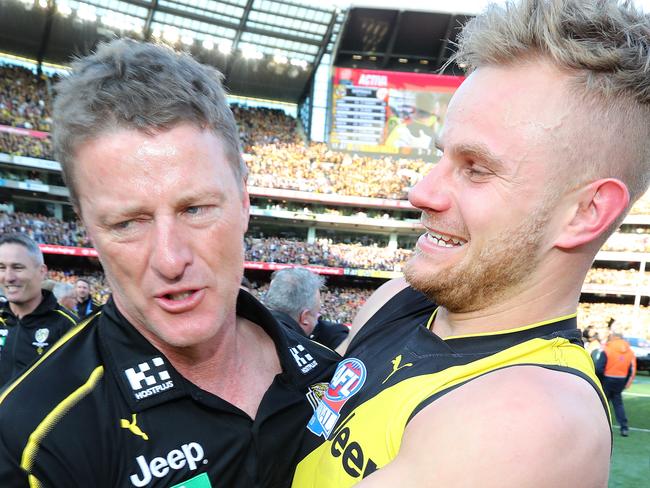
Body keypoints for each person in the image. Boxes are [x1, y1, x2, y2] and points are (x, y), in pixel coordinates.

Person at [293, 1, 650, 486]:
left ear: (586, 212)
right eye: (442, 155)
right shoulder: (400, 298)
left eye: (476, 168)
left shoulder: (529, 421)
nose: (421, 191)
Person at [0, 40, 339, 488]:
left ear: (243, 201)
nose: (170, 259)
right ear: (87, 228)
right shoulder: (36, 436)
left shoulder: (331, 374)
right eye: (127, 222)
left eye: (195, 209)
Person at [0, 233, 78, 387]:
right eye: (2, 268)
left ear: (42, 271)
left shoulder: (68, 327)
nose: (8, 277)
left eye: (18, 267)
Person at [595, 332, 636, 437]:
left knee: (603, 404)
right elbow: (631, 369)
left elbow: (599, 368)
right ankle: (624, 427)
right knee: (618, 404)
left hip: (607, 379)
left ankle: (599, 427)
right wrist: (625, 383)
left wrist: (600, 380)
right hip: (620, 380)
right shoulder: (630, 351)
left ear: (613, 338)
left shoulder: (608, 349)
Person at [264, 267, 324, 337]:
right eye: (317, 313)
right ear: (305, 318)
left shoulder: (250, 330)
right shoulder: (312, 347)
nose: (318, 320)